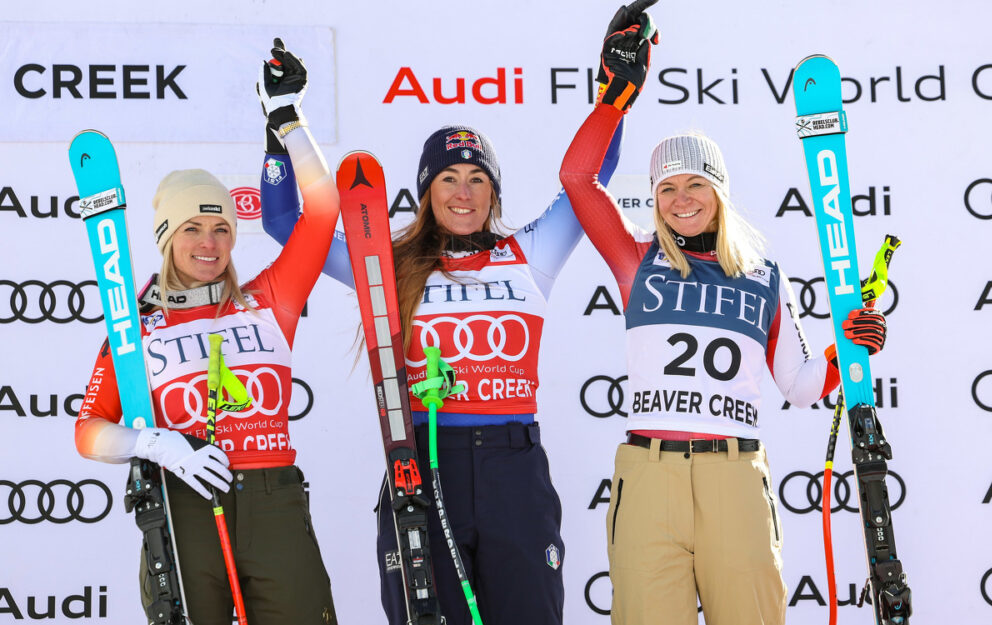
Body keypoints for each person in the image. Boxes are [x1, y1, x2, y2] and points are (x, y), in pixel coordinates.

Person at [258, 37, 630, 625]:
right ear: (427, 190)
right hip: (425, 467)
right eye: (448, 178)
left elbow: (593, 176)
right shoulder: (386, 264)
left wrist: (616, 96)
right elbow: (283, 221)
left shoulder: (530, 253)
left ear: (494, 192)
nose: (463, 192)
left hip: (515, 467)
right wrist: (281, 125)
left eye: (477, 179)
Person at [559, 12, 888, 625]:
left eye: (696, 184)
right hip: (649, 476)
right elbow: (577, 178)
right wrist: (615, 99)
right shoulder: (637, 261)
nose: (681, 199)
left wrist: (851, 352)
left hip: (735, 477)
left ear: (720, 192)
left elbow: (799, 386)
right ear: (653, 200)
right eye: (666, 189)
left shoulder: (762, 276)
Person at [75, 40, 340, 625]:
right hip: (184, 503)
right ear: (167, 236)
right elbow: (88, 433)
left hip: (274, 500)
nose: (209, 243)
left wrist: (287, 119)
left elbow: (322, 209)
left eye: (222, 227)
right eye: (192, 227)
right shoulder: (134, 324)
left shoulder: (268, 298)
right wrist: (153, 444)